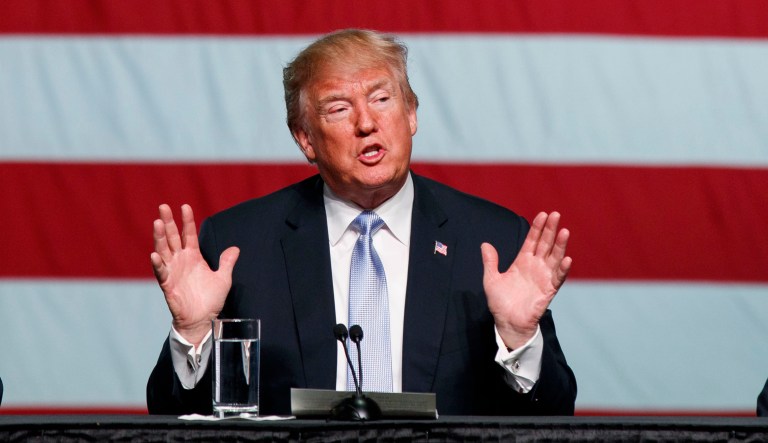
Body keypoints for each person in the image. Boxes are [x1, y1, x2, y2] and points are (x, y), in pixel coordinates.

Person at [147, 29, 576, 416]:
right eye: (338, 108)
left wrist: (520, 339)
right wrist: (192, 333)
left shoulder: (492, 241)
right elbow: (171, 418)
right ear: (305, 138)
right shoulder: (241, 246)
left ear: (411, 114)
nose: (366, 123)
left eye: (381, 99)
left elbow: (555, 415)